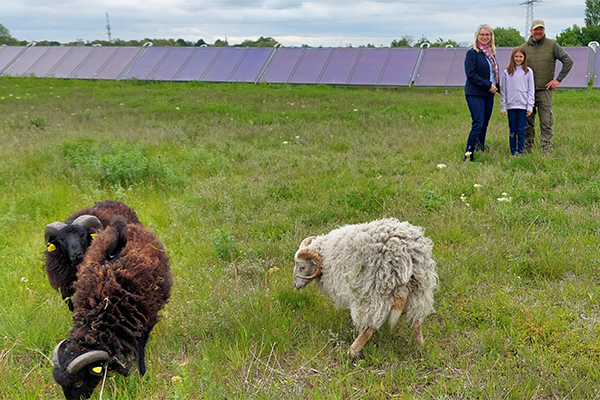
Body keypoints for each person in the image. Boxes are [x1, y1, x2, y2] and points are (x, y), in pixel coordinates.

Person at [523, 19, 573, 155]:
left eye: (541, 29)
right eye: (536, 29)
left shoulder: (552, 45)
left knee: (546, 122)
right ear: (531, 31)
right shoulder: (524, 48)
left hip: (545, 91)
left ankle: (547, 151)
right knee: (527, 123)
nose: (538, 32)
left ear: (544, 30)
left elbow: (568, 61)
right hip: (527, 92)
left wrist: (557, 80)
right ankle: (527, 149)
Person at [463, 24, 499, 162]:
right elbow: (471, 74)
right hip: (475, 93)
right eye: (482, 34)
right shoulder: (472, 53)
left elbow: (492, 75)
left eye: (487, 35)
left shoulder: (491, 54)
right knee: (477, 123)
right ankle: (468, 155)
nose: (485, 37)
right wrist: (488, 85)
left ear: (491, 37)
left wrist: (499, 87)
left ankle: (480, 149)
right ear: (477, 36)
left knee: (484, 124)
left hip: (489, 94)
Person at [500, 46, 535, 156]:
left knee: (521, 130)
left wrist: (530, 106)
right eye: (516, 56)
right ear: (512, 57)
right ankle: (512, 152)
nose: (518, 59)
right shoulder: (507, 72)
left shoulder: (528, 72)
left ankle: (520, 152)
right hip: (511, 106)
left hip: (523, 106)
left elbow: (531, 89)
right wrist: (503, 107)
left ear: (524, 58)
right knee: (512, 130)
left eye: (520, 56)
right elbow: (503, 90)